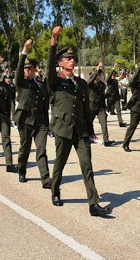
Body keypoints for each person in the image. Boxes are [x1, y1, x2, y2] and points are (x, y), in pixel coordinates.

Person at [47, 26, 111, 216]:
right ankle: (55, 190)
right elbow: (49, 66)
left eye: (73, 58)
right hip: (63, 128)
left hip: (81, 130)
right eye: (68, 58)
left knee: (87, 166)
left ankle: (93, 204)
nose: (72, 60)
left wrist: (90, 130)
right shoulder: (55, 81)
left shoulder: (81, 83)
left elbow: (85, 109)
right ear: (60, 63)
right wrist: (53, 40)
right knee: (60, 162)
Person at [14, 39, 51, 187]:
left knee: (41, 149)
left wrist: (47, 124)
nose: (27, 70)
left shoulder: (41, 84)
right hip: (25, 120)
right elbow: (18, 70)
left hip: (40, 121)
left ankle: (45, 178)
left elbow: (44, 105)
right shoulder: (21, 82)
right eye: (26, 68)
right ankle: (22, 170)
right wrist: (24, 51)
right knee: (25, 149)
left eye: (30, 68)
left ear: (35, 69)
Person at [88, 62, 115, 146]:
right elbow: (90, 81)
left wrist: (105, 106)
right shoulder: (90, 83)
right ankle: (89, 137)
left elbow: (102, 96)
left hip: (100, 107)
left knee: (104, 123)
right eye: (98, 74)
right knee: (89, 122)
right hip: (92, 106)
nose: (99, 76)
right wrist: (97, 68)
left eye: (99, 74)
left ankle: (106, 140)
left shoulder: (102, 84)